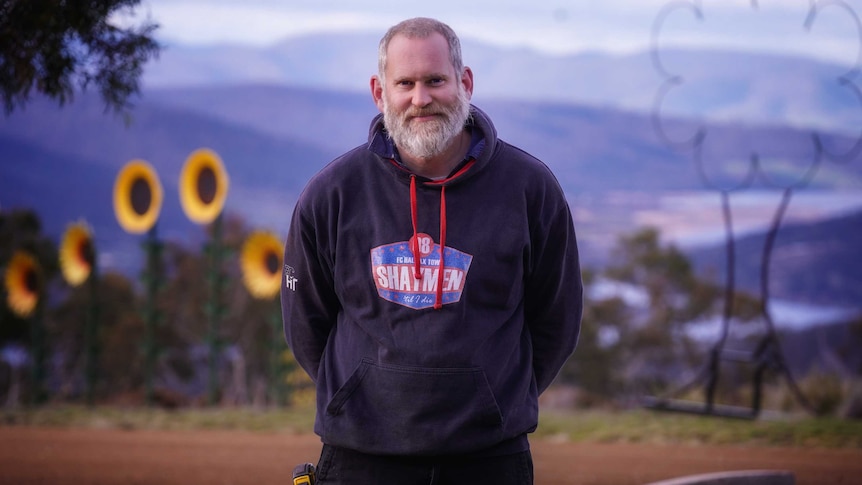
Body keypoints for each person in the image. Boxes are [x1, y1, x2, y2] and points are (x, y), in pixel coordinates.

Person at [281, 17, 583, 485]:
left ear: (464, 83)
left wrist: (494, 396)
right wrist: (360, 393)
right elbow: (306, 323)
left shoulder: (529, 189)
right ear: (380, 93)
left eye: (435, 81)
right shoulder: (332, 194)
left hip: (488, 459)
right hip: (362, 455)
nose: (421, 99)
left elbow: (556, 321)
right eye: (405, 83)